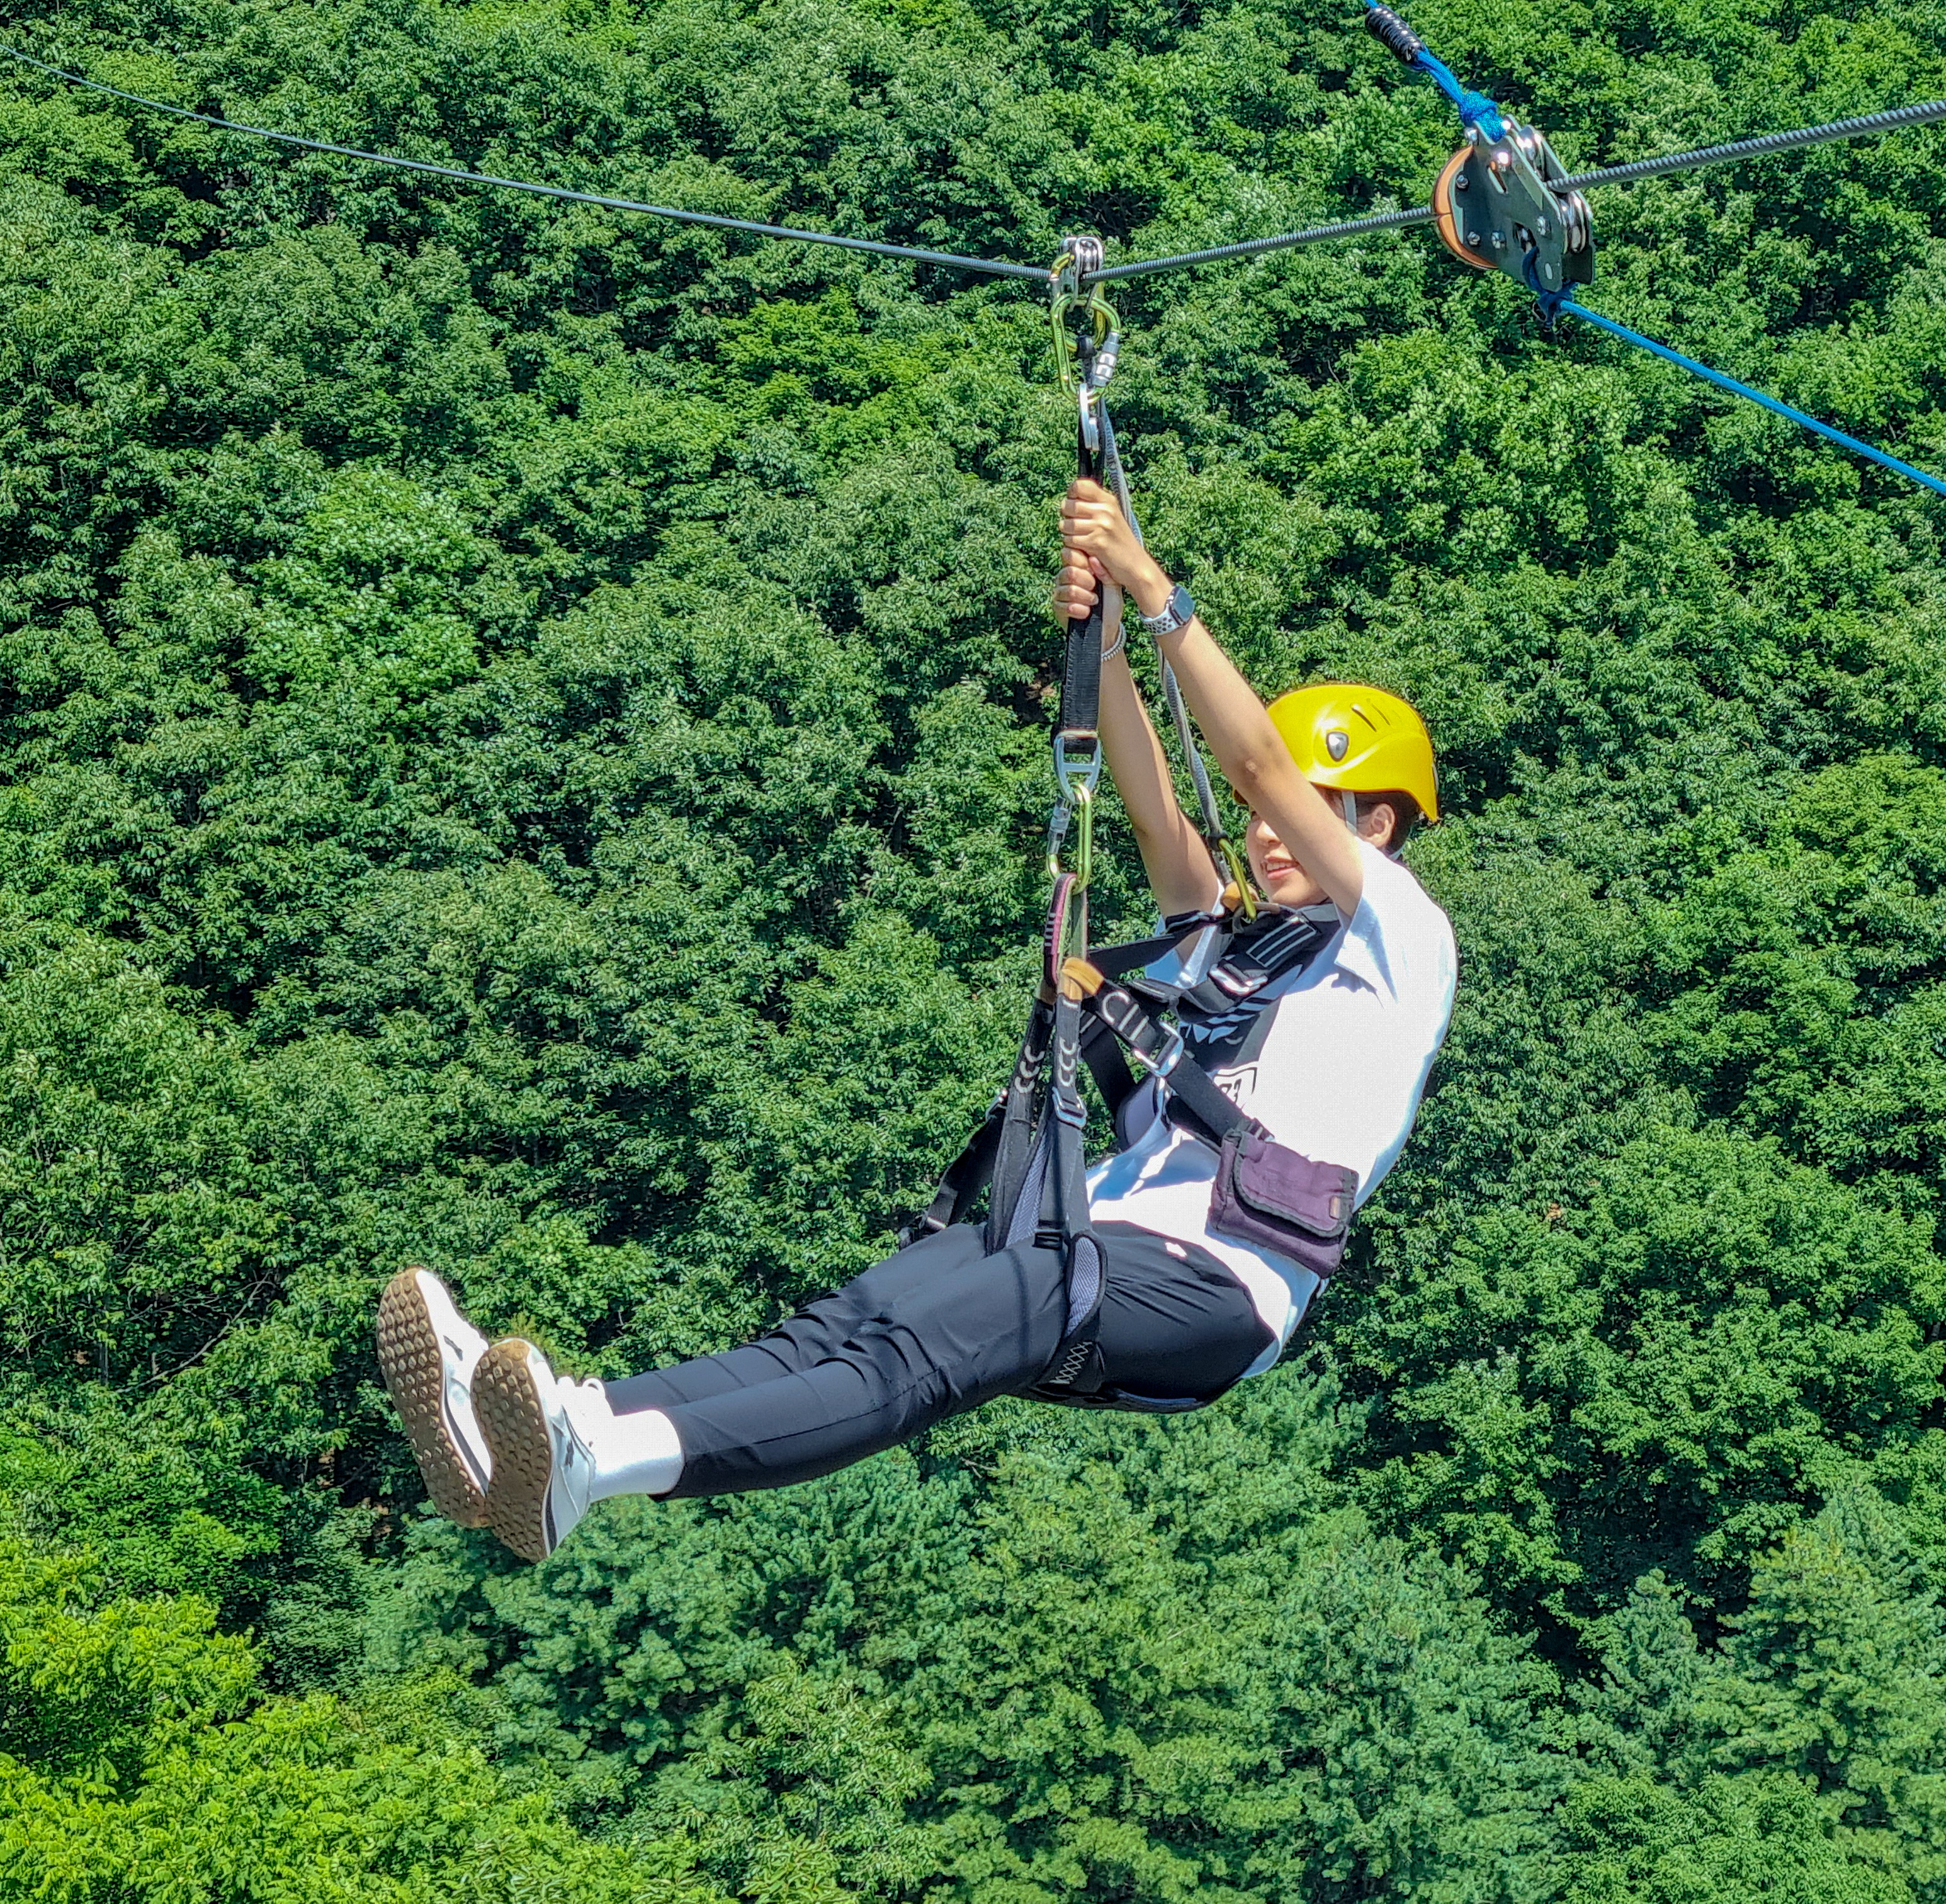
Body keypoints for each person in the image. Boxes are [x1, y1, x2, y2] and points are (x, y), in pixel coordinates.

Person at [376, 479, 1459, 1561]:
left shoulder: (1400, 942)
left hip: (1218, 1286)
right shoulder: (1226, 939)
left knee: (943, 1337)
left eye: (1326, 813)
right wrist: (1106, 644)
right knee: (856, 1318)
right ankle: (561, 1425)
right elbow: (1151, 805)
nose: (1280, 835)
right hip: (1102, 1241)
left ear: (1384, 826)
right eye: (1289, 817)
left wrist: (1153, 586)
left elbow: (1253, 769)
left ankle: (596, 1466)